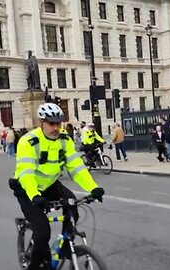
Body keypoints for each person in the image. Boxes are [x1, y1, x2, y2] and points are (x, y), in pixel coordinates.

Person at [9, 103, 104, 270]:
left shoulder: (64, 140)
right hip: (27, 188)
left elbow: (76, 167)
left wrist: (93, 188)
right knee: (42, 231)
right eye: (51, 124)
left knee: (72, 204)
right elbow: (26, 173)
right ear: (42, 123)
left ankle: (67, 243)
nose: (56, 128)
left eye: (58, 123)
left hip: (50, 184)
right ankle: (36, 265)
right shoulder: (28, 142)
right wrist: (35, 195)